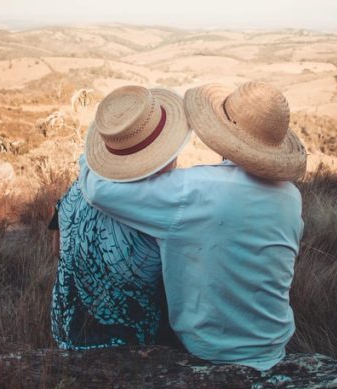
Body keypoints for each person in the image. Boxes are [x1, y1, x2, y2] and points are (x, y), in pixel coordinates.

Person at [79, 81, 307, 370]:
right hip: (274, 344)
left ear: (223, 130)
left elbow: (99, 190)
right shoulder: (291, 197)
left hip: (210, 348)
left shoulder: (194, 190)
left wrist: (93, 153)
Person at [49, 85, 190, 349]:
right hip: (137, 345)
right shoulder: (161, 205)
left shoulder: (74, 190)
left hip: (66, 334)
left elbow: (56, 249)